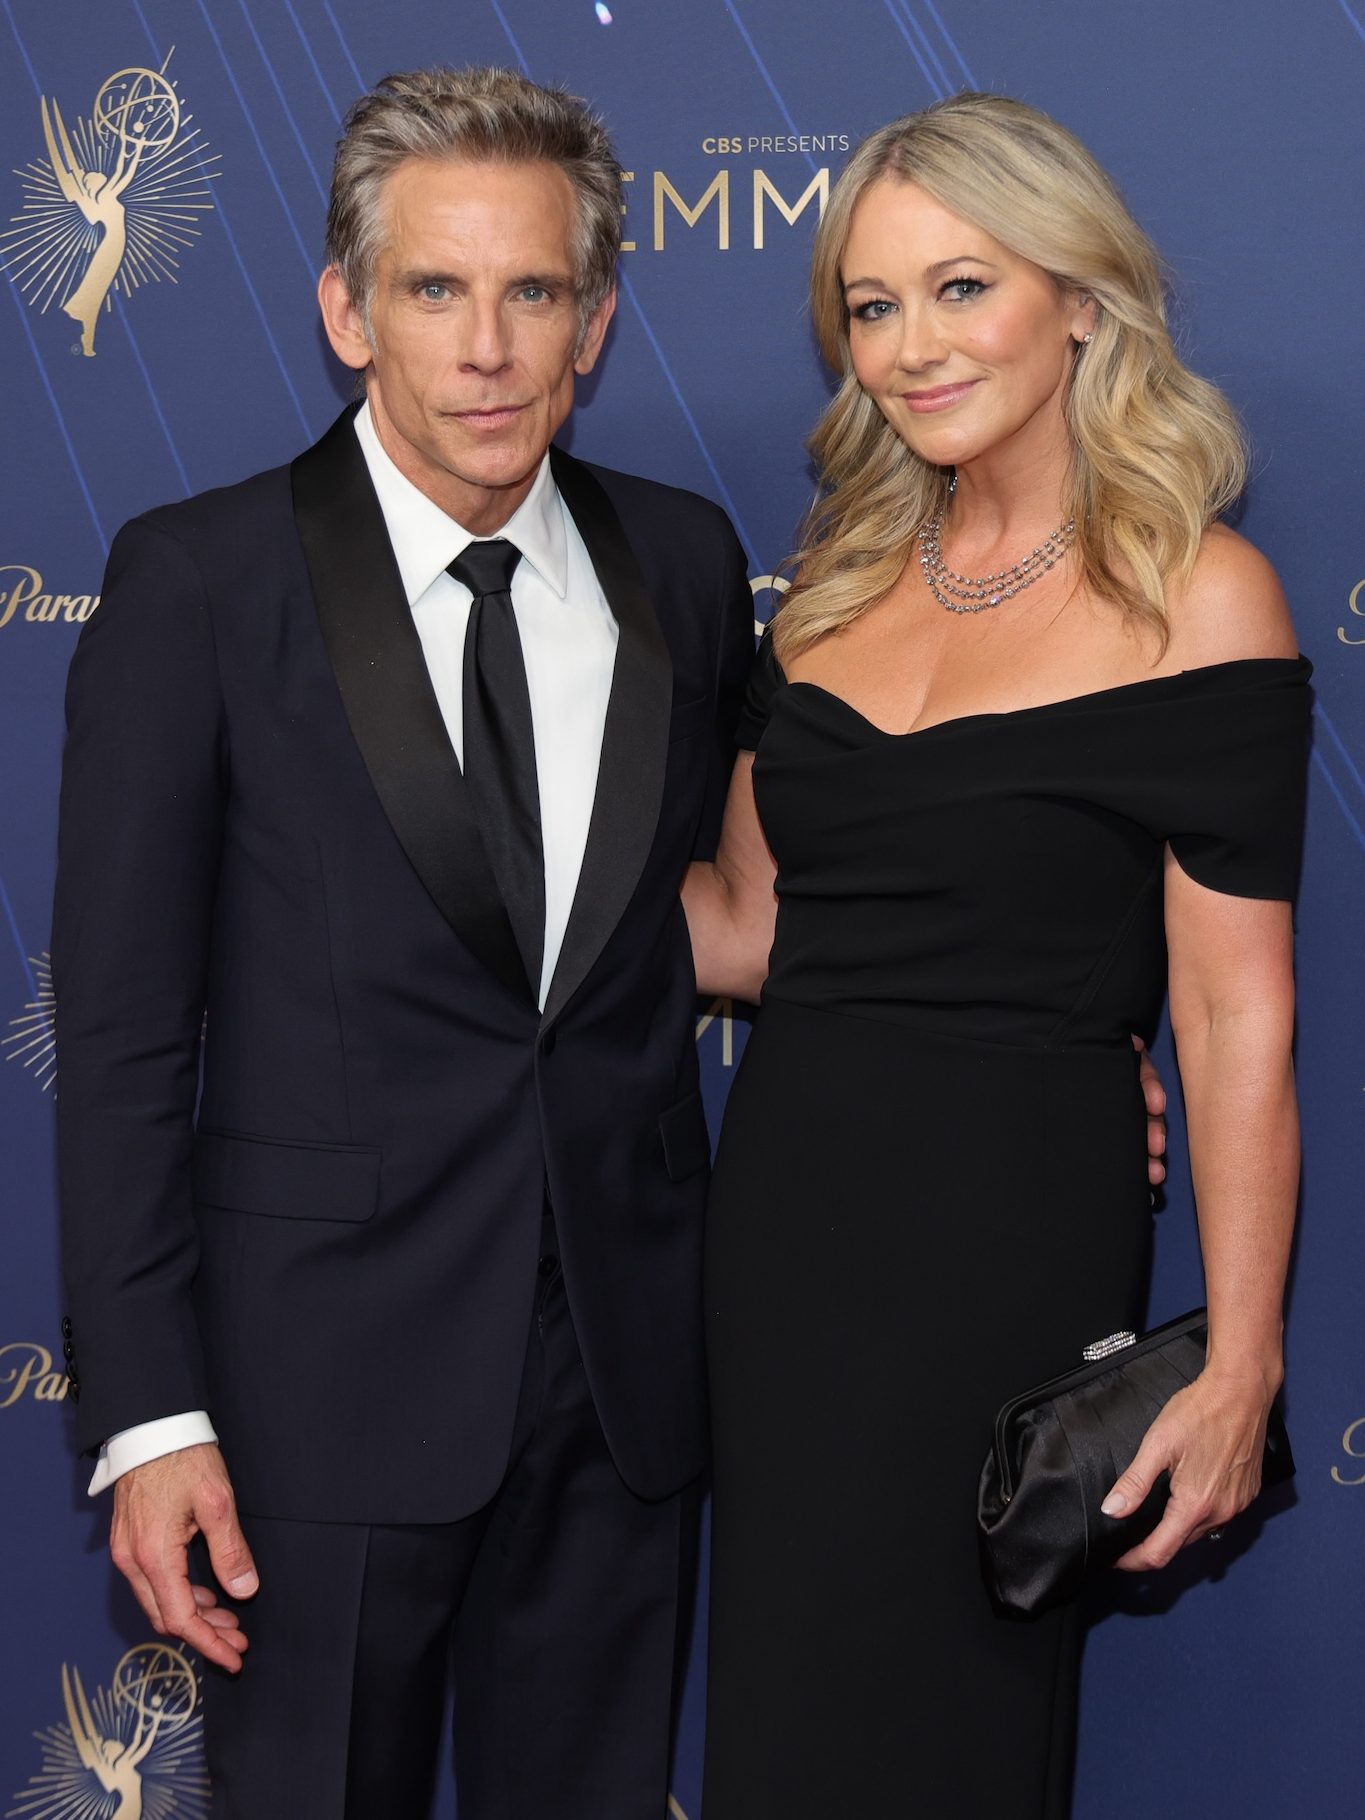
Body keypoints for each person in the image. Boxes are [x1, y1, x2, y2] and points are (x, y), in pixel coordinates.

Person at [52, 66, 755, 1820]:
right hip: (310, 1405)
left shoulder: (678, 565)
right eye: (435, 290)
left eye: (533, 292)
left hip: (620, 1388)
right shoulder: (199, 583)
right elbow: (128, 1038)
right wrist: (151, 1420)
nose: (488, 346)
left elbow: (736, 912)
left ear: (595, 318)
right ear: (346, 312)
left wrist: (1032, 1039)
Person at [684, 92, 1308, 1819]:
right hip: (788, 1228)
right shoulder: (823, 590)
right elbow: (742, 929)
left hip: (1011, 1231)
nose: (908, 347)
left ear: (1080, 301)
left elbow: (1231, 1015)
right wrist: (461, 837)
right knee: (784, 1713)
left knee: (947, 1729)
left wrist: (1241, 1356)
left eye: (959, 289)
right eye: (870, 308)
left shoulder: (1200, 595)